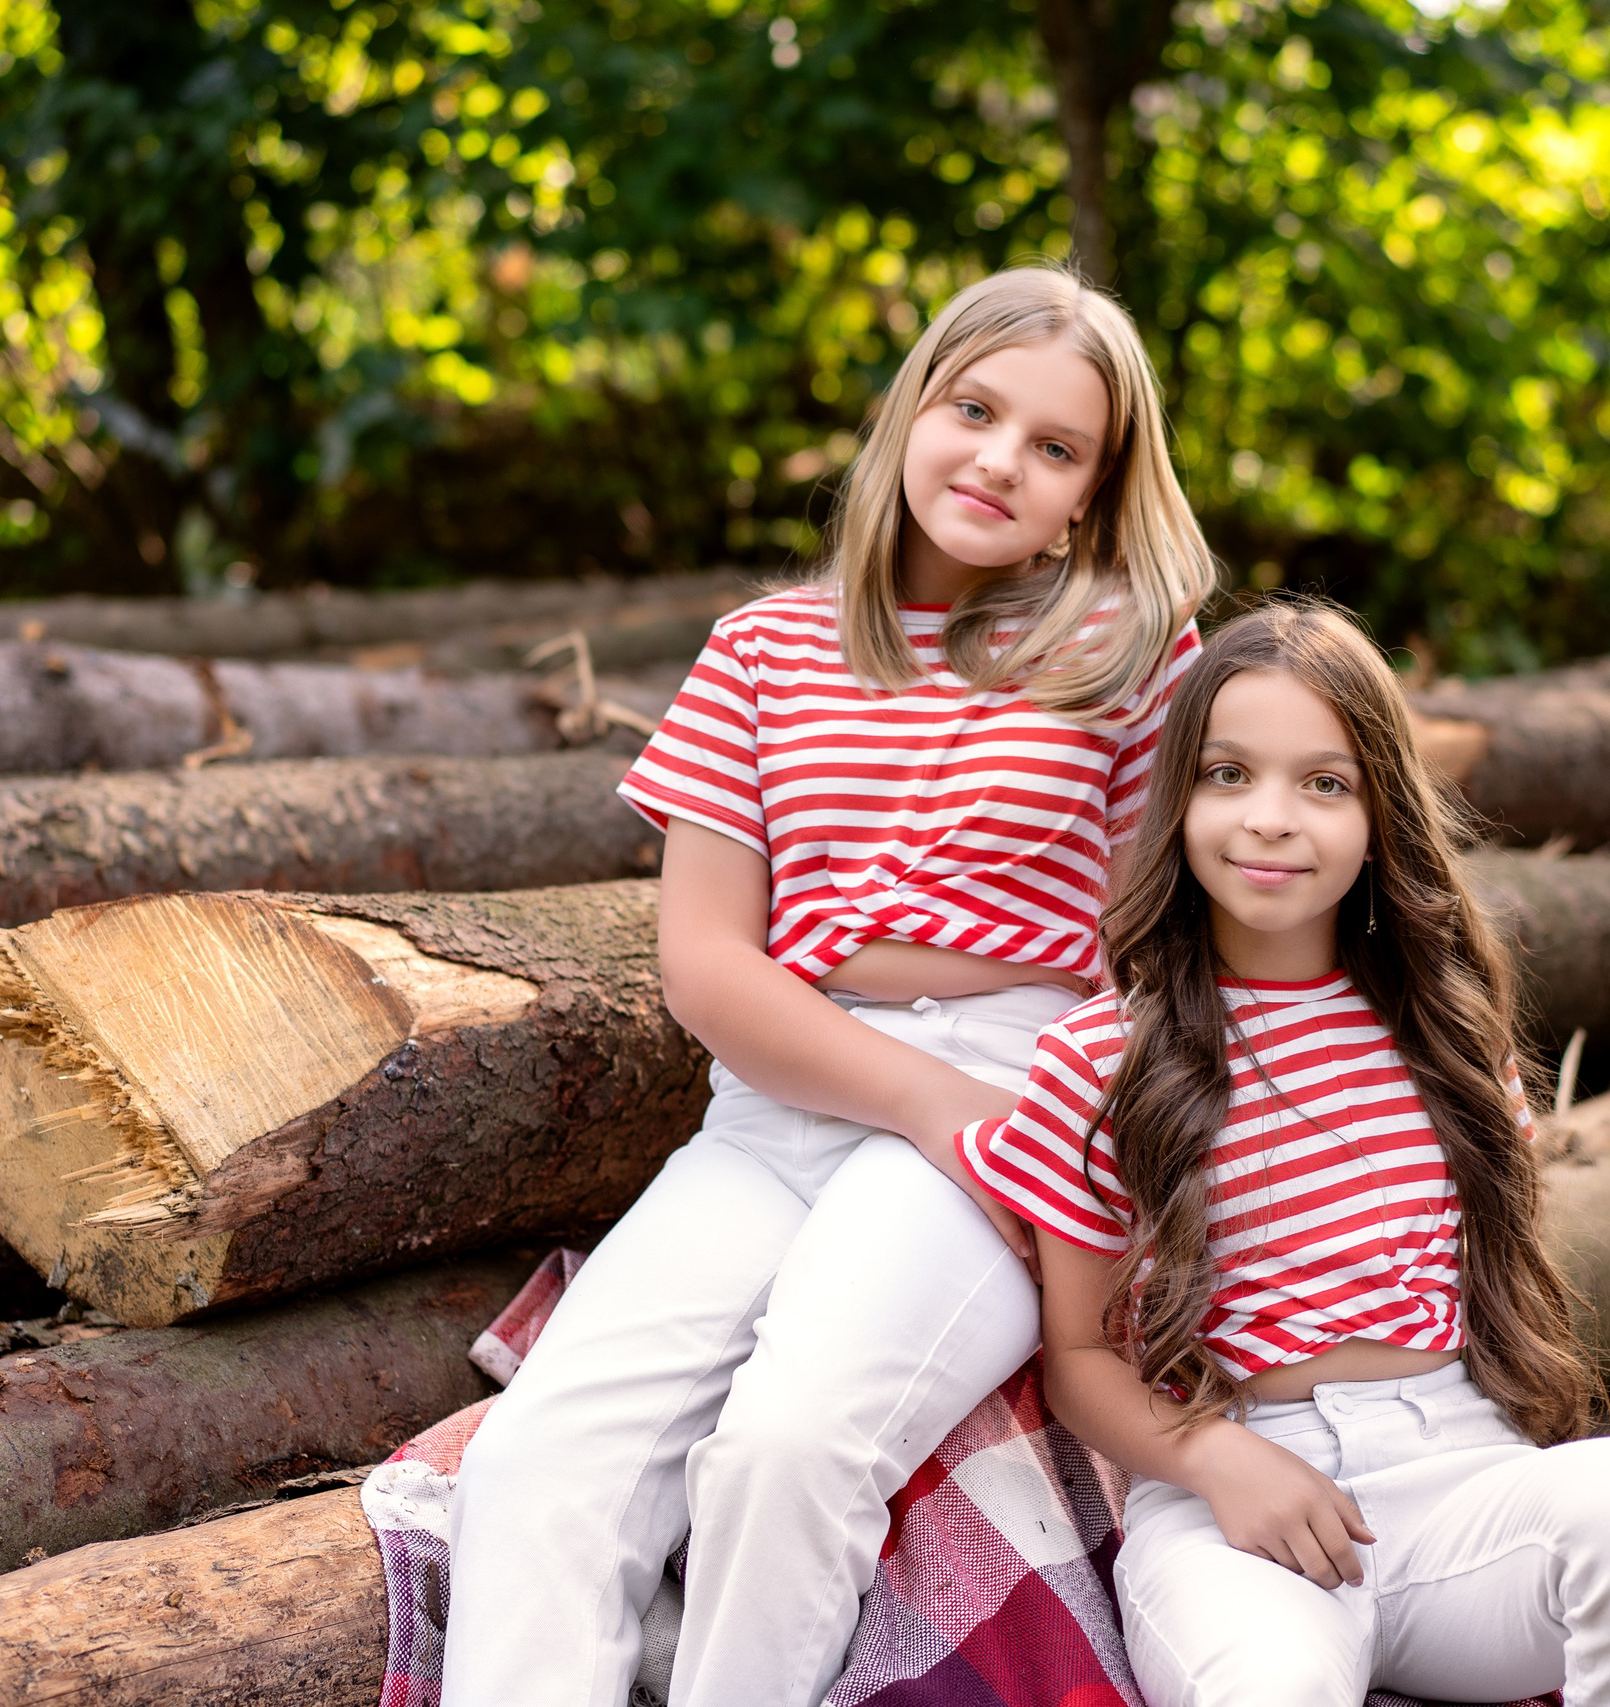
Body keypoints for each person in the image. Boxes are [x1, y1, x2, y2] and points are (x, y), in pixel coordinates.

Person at [440, 264, 1218, 1707]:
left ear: (1094, 496)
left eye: (1056, 447)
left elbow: (1158, 944)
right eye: (974, 408)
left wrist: (1049, 1131)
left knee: (791, 1442)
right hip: (787, 1085)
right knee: (551, 1450)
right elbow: (709, 961)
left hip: (1023, 1076)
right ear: (912, 408)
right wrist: (931, 1103)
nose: (1000, 458)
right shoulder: (763, 647)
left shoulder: (1128, 652)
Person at [958, 601, 1610, 1707]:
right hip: (1232, 1502)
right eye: (1229, 774)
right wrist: (1213, 1460)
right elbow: (1078, 1358)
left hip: (1462, 1479)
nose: (1270, 818)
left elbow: (1496, 1281)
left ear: (1380, 816)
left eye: (1323, 783)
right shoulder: (1098, 1056)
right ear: (1176, 797)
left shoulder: (1447, 1040)